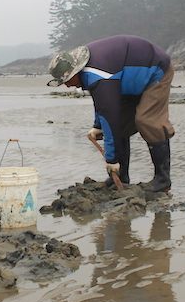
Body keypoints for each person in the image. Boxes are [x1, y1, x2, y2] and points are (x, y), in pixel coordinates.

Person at [47, 35, 175, 192]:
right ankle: (122, 178)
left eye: (66, 80)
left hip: (156, 70)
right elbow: (102, 102)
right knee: (120, 125)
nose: (66, 86)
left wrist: (111, 159)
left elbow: (109, 116)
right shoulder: (90, 71)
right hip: (129, 81)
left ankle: (162, 180)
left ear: (75, 72)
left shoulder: (98, 74)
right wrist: (97, 125)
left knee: (147, 120)